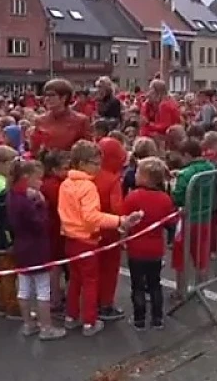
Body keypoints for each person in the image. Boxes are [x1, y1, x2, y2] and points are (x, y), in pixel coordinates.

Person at [58, 140, 143, 337]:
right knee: (90, 282)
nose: (98, 167)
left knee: (75, 280)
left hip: (70, 238)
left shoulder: (66, 183)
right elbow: (93, 216)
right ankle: (90, 321)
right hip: (88, 238)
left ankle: (71, 316)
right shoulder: (89, 186)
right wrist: (120, 221)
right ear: (82, 163)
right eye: (95, 163)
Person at [6, 158, 67, 340]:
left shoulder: (11, 195)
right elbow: (40, 224)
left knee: (24, 287)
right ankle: (46, 327)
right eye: (38, 179)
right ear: (27, 178)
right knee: (42, 288)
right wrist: (42, 205)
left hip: (21, 246)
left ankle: (28, 323)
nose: (41, 182)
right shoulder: (28, 202)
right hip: (37, 247)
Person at [123, 156, 176, 331]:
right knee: (155, 284)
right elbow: (170, 223)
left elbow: (125, 222)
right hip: (155, 249)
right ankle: (157, 318)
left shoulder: (132, 197)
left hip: (136, 249)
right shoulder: (164, 199)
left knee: (137, 285)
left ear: (145, 177)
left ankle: (139, 319)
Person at [172, 140, 215, 288]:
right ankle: (201, 287)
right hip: (205, 216)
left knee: (181, 257)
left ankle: (180, 291)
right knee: (201, 255)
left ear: (187, 155)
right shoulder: (210, 167)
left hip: (187, 218)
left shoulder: (186, 174)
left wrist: (173, 185)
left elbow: (178, 197)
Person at [93, 137, 127, 321]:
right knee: (109, 269)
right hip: (109, 230)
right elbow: (117, 208)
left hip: (88, 229)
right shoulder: (112, 179)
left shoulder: (88, 174)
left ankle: (90, 304)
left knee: (91, 270)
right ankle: (105, 305)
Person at [0, 145, 21, 320]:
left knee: (1, 270)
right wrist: (9, 239)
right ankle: (11, 306)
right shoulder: (2, 186)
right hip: (2, 235)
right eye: (11, 163)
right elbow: (4, 216)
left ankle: (2, 304)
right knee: (8, 271)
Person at [39, 150, 69, 314]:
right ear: (53, 169)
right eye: (65, 168)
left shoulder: (47, 183)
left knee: (56, 264)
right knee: (55, 265)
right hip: (55, 229)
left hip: (54, 228)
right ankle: (55, 299)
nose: (68, 171)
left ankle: (56, 295)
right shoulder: (54, 186)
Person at [32, 78, 90, 152]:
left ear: (64, 98)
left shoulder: (81, 121)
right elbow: (34, 150)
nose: (46, 99)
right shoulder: (40, 120)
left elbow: (87, 152)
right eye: (45, 95)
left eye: (51, 95)